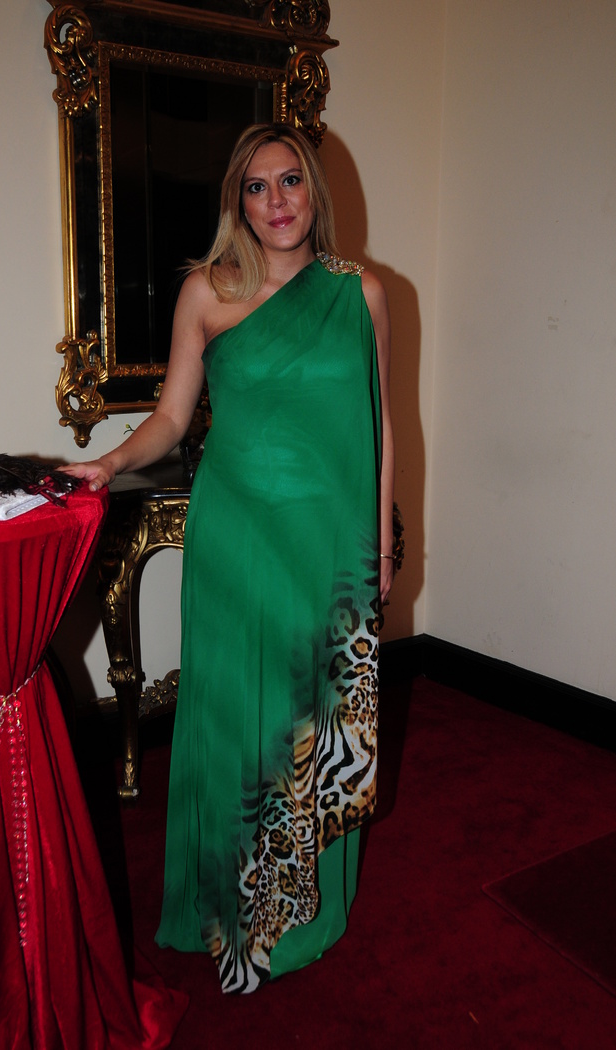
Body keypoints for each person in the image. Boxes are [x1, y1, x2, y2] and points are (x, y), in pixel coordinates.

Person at [61, 123, 395, 994]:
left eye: (290, 180)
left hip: (330, 546)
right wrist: (110, 461)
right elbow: (173, 418)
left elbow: (382, 425)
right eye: (256, 186)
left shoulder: (361, 293)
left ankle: (305, 907)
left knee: (315, 716)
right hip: (239, 538)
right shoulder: (206, 291)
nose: (276, 201)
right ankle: (227, 906)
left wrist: (384, 543)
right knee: (238, 717)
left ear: (314, 189)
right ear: (236, 203)